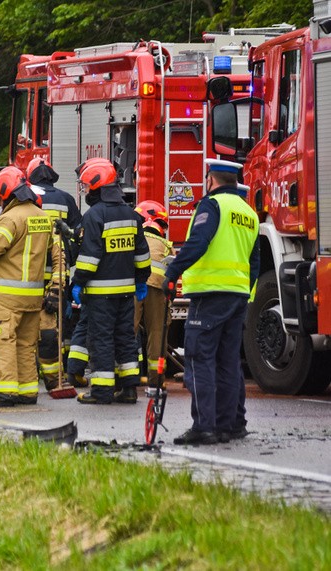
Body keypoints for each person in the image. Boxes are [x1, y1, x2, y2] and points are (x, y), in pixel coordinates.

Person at [164, 159, 259, 445]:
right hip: (238, 296)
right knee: (228, 360)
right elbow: (254, 262)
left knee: (200, 357)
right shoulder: (248, 212)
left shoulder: (212, 205)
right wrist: (244, 291)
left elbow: (199, 242)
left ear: (211, 180)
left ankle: (205, 426)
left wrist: (172, 272)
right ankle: (229, 425)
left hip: (210, 294)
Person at [72, 159, 151, 404]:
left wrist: (77, 282)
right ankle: (128, 390)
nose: (85, 191)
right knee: (126, 337)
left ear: (97, 186)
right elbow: (142, 254)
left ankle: (102, 391)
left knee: (101, 340)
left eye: (87, 187)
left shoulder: (94, 216)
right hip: (127, 293)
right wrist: (141, 280)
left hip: (100, 293)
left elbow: (89, 258)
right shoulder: (131, 214)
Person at [0, 167, 52, 407]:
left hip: (5, 297)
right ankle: (28, 390)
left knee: (3, 340)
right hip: (32, 296)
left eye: (0, 198)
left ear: (9, 195)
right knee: (26, 343)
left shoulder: (10, 218)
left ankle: (3, 391)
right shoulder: (43, 216)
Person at [27, 158, 82, 388]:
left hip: (29, 270)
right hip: (59, 270)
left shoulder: (24, 198)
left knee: (29, 320)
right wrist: (70, 258)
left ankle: (31, 366)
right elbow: (78, 234)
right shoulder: (66, 199)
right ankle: (60, 365)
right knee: (57, 320)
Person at [133, 200, 173, 387]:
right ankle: (156, 380)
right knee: (157, 332)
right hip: (157, 290)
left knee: (127, 330)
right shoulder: (166, 245)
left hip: (134, 285)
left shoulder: (134, 238)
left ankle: (125, 378)